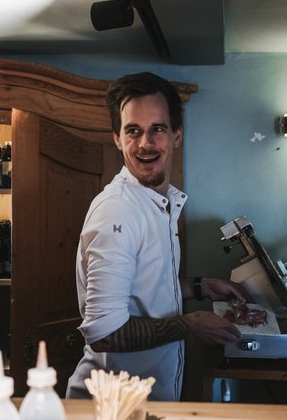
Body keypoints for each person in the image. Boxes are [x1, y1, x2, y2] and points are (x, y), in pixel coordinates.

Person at [66, 72, 254, 401]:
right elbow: (104, 335)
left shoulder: (159, 204)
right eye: (133, 131)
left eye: (158, 129)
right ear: (117, 138)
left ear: (176, 135)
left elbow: (146, 287)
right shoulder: (117, 211)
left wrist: (202, 286)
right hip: (112, 407)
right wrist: (189, 325)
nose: (145, 143)